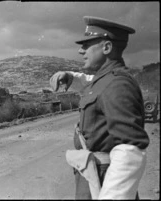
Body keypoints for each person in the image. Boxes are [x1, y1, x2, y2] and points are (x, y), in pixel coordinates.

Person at [50, 16, 150, 199]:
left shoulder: (118, 84)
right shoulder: (105, 79)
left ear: (106, 48)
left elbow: (130, 150)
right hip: (95, 175)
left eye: (87, 45)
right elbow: (92, 85)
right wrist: (69, 76)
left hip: (106, 181)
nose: (81, 51)